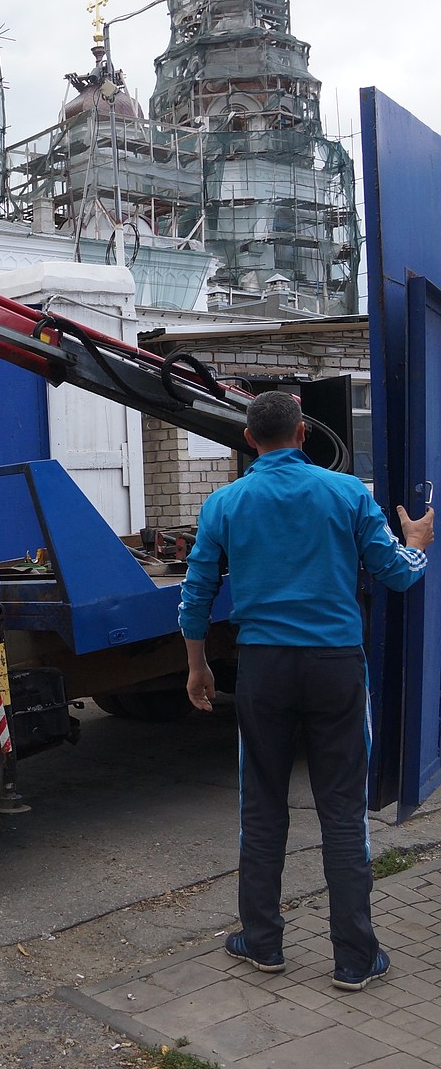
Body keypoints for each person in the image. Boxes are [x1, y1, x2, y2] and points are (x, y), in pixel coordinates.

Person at [178, 390, 433, 993]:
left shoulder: (224, 502)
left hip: (263, 669)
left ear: (248, 440)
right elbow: (396, 574)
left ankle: (261, 943)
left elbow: (196, 593)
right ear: (301, 434)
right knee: (342, 813)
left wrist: (196, 666)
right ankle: (355, 958)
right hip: (336, 666)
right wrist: (418, 543)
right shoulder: (347, 493)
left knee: (261, 805)